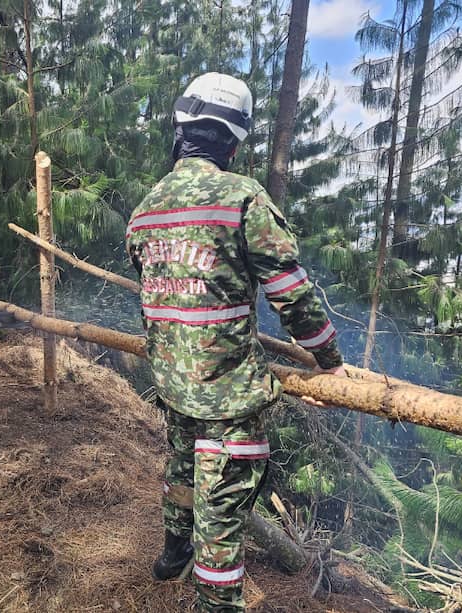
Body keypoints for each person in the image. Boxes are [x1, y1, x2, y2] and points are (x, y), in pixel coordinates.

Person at [125, 73, 346, 612]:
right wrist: (330, 361)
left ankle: (173, 549)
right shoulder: (243, 198)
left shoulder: (145, 210)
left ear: (181, 129)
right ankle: (216, 602)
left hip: (172, 382)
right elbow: (289, 291)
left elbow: (159, 290)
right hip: (228, 394)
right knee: (222, 512)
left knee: (181, 466)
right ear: (233, 141)